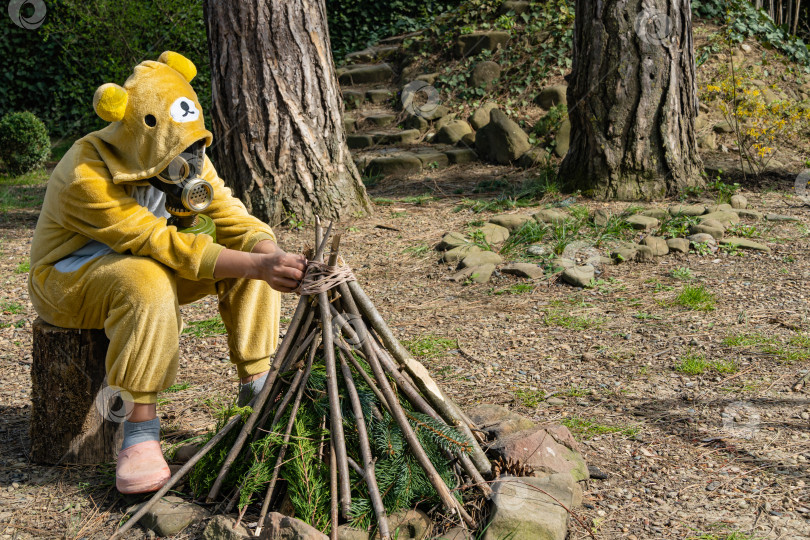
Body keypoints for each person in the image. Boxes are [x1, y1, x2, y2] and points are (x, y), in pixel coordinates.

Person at [28, 51, 307, 495]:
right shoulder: (85, 171)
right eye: (177, 158)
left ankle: (257, 390)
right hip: (67, 280)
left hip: (146, 265)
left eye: (193, 152)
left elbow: (232, 215)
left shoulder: (186, 150)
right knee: (147, 278)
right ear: (138, 135)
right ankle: (139, 434)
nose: (189, 169)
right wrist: (257, 263)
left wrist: (267, 253)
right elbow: (155, 242)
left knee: (241, 257)